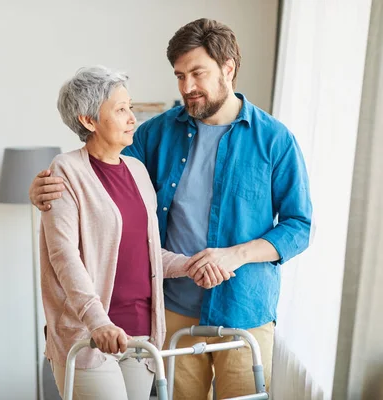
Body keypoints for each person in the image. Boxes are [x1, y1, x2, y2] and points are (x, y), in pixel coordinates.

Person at [31, 19, 312, 400]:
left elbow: (298, 226)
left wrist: (235, 256)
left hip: (244, 307)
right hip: (171, 310)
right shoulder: (154, 134)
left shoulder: (275, 140)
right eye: (179, 75)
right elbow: (97, 177)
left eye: (197, 73)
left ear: (228, 68)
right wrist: (43, 190)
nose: (186, 87)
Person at [40, 65, 234, 400]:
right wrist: (98, 323)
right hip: (91, 334)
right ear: (88, 120)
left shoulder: (137, 170)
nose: (132, 118)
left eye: (130, 107)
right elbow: (65, 257)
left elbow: (145, 252)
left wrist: (191, 265)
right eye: (120, 110)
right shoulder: (65, 171)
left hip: (142, 332)